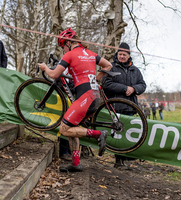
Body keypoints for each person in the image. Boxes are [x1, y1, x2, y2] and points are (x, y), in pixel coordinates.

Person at [38, 28, 112, 172]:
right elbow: (108, 65)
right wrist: (96, 79)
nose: (63, 49)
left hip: (85, 97)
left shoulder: (69, 55)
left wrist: (45, 67)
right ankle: (76, 163)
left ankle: (98, 134)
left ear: (68, 43)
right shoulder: (91, 54)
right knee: (72, 128)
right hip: (95, 96)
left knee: (64, 129)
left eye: (62, 46)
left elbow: (53, 75)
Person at [102, 42, 146, 169]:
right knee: (118, 134)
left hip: (131, 108)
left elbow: (143, 85)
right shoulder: (111, 67)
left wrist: (133, 88)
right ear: (117, 54)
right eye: (120, 54)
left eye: (124, 54)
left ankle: (124, 158)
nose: (122, 56)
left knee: (127, 135)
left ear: (128, 56)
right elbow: (106, 84)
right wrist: (124, 88)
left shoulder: (135, 70)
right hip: (115, 107)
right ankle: (119, 161)